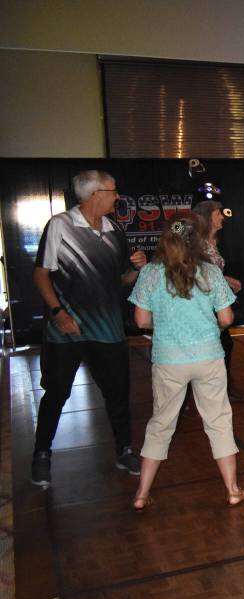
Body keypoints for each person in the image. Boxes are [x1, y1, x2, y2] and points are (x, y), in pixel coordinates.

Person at [30, 170, 147, 487]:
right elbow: (41, 274)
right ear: (95, 194)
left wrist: (136, 270)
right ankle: (42, 455)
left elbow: (119, 281)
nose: (117, 196)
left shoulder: (114, 231)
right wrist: (58, 312)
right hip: (65, 332)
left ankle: (124, 450)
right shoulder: (60, 227)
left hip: (108, 330)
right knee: (56, 394)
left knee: (118, 394)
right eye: (113, 191)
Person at [128, 214, 244, 511]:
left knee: (160, 423)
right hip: (208, 356)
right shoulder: (209, 272)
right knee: (218, 421)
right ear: (198, 243)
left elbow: (141, 321)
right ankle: (232, 490)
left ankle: (142, 494)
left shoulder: (151, 274)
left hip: (168, 359)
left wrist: (169, 325)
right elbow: (226, 318)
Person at [192, 200, 244, 400]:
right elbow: (196, 274)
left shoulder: (214, 241)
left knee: (224, 345)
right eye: (217, 214)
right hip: (201, 305)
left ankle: (224, 387)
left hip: (216, 303)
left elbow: (212, 272)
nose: (222, 217)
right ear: (207, 217)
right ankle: (194, 394)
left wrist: (225, 281)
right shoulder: (194, 242)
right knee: (212, 347)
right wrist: (225, 280)